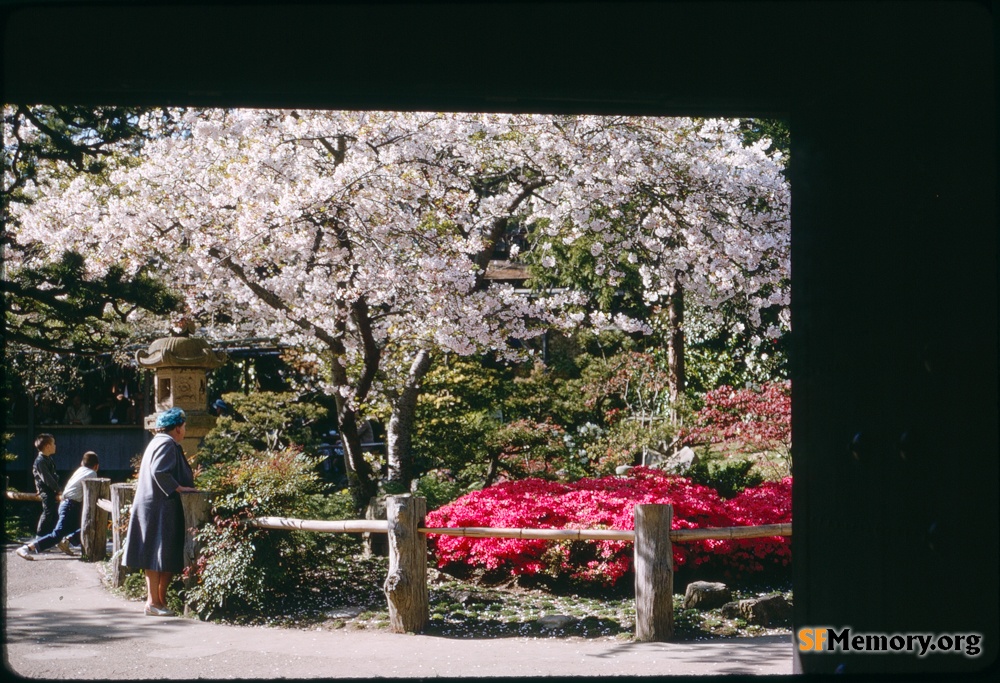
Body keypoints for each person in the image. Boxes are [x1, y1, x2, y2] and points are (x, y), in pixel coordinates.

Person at [122, 407, 197, 617]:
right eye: (184, 426)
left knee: (156, 554)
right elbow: (159, 471)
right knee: (159, 552)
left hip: (153, 505)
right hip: (160, 506)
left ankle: (157, 602)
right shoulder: (167, 443)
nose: (185, 430)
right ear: (177, 428)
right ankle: (154, 602)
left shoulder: (156, 441)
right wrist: (179, 488)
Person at [16, 451, 100, 560]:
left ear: (81, 463)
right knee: (57, 534)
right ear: (96, 466)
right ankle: (27, 548)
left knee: (88, 526)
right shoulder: (92, 473)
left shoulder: (79, 470)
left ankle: (67, 540)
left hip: (67, 504)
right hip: (71, 505)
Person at [31, 434, 60, 537]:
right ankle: (39, 536)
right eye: (53, 443)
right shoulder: (40, 461)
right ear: (48, 446)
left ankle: (50, 536)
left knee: (53, 513)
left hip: (51, 489)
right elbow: (46, 478)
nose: (55, 446)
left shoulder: (48, 459)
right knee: (48, 512)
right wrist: (58, 489)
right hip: (46, 490)